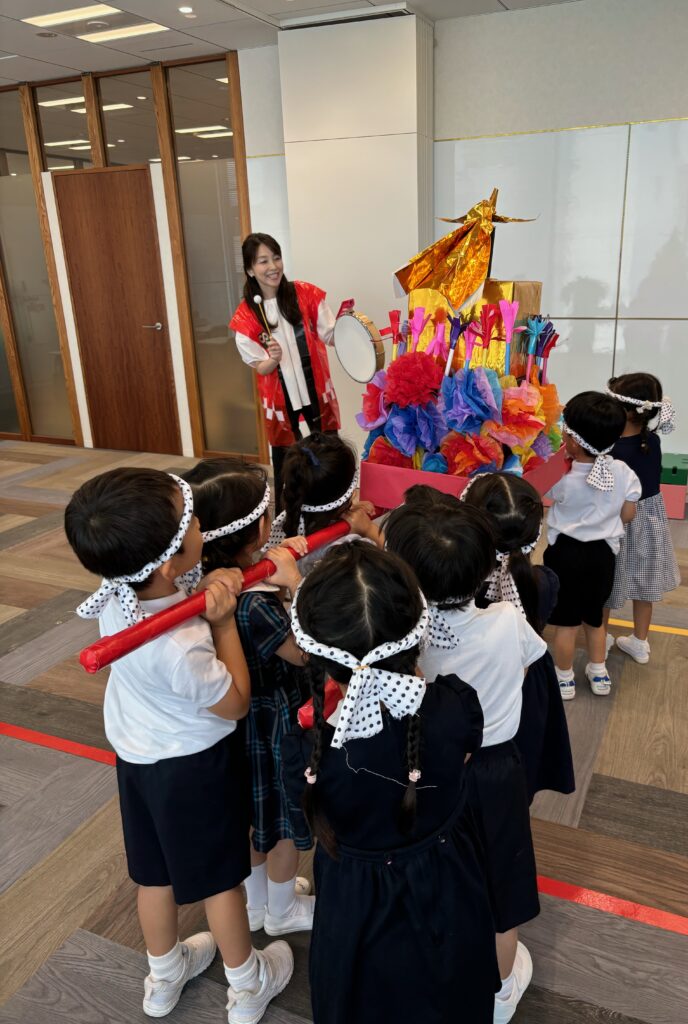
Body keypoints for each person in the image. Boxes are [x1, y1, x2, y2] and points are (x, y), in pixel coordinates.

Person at [64, 468, 292, 1024]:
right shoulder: (181, 646)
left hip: (138, 759)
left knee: (154, 874)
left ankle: (164, 975)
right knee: (221, 881)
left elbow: (174, 579)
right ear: (170, 563)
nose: (200, 525)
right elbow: (235, 702)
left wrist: (201, 582)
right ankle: (247, 983)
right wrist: (224, 623)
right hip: (193, 767)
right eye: (191, 521)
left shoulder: (117, 593)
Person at [281, 542, 499, 1024]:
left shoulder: (309, 749)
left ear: (313, 652)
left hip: (352, 898)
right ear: (417, 635)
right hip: (446, 882)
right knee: (452, 992)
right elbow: (463, 751)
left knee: (359, 997)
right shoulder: (452, 708)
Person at [385, 488, 545, 1024]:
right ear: (485, 566)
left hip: (425, 770)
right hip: (496, 771)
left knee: (431, 867)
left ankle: (431, 959)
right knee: (501, 882)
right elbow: (524, 672)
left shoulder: (403, 640)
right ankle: (499, 993)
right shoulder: (506, 619)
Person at [183, 457, 316, 939]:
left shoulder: (204, 584)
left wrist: (280, 555)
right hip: (276, 723)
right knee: (282, 819)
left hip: (238, 729)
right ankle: (282, 911)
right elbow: (304, 654)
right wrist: (297, 584)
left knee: (254, 816)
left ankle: (259, 903)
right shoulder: (256, 603)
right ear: (258, 527)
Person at [462, 472, 574, 802]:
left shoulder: (455, 588)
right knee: (518, 768)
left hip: (468, 689)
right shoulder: (542, 582)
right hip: (527, 691)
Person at [230, 233, 341, 510]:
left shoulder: (305, 294)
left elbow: (332, 335)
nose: (273, 267)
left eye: (276, 258)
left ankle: (336, 504)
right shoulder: (246, 315)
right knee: (284, 460)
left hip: (314, 387)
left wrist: (357, 331)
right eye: (263, 261)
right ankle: (286, 518)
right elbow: (259, 366)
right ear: (250, 269)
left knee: (330, 450)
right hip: (280, 398)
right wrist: (273, 359)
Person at [542, 391, 641, 699]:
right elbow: (628, 514)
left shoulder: (561, 474)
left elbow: (545, 498)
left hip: (564, 553)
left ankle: (564, 679)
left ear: (571, 440)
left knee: (566, 624)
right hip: (602, 555)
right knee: (595, 618)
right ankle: (599, 673)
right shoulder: (623, 472)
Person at [604, 373, 681, 663]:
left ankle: (602, 633)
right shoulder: (653, 441)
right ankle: (640, 641)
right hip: (650, 521)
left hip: (618, 520)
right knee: (644, 581)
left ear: (624, 410)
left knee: (608, 580)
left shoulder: (611, 448)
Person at [266, 432, 382, 570]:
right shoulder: (353, 550)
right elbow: (404, 566)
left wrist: (348, 510)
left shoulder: (288, 527)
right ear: (349, 494)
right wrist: (369, 529)